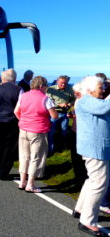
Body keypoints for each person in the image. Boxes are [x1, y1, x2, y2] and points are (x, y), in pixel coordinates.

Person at [72, 76, 110, 237]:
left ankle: (80, 209)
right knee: (99, 183)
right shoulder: (87, 101)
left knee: (92, 180)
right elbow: (105, 107)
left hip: (93, 148)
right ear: (89, 90)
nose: (103, 90)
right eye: (101, 88)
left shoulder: (89, 101)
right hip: (95, 149)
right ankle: (88, 221)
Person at [14, 76, 58, 193]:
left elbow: (16, 111)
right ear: (41, 86)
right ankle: (30, 185)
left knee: (24, 156)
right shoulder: (45, 99)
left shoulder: (23, 96)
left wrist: (23, 120)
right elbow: (54, 116)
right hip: (38, 131)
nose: (46, 88)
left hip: (23, 129)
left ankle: (22, 181)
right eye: (46, 86)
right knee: (36, 158)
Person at [0, 69, 23, 180]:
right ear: (14, 78)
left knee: (0, 146)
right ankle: (4, 171)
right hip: (12, 121)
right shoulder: (19, 89)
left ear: (4, 78)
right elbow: (21, 105)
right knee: (10, 148)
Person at [46, 75, 75, 154]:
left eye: (65, 83)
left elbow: (73, 99)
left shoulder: (69, 89)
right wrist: (59, 104)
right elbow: (47, 101)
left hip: (64, 113)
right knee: (51, 132)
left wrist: (69, 104)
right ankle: (50, 150)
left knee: (63, 131)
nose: (63, 85)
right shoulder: (51, 89)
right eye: (61, 83)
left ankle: (61, 147)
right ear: (57, 82)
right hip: (54, 113)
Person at [67, 82, 87, 190]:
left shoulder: (84, 101)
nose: (75, 94)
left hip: (81, 132)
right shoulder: (79, 100)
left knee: (80, 159)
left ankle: (81, 181)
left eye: (76, 92)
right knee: (76, 158)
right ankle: (79, 181)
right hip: (76, 131)